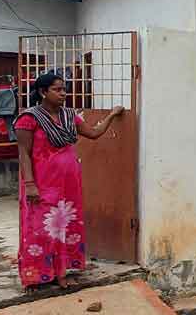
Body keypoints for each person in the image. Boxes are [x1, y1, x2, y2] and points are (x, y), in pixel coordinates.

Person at [14, 72, 124, 289]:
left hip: (68, 183)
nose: (63, 93)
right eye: (57, 89)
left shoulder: (69, 116)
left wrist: (111, 115)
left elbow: (93, 133)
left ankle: (62, 271)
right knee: (40, 227)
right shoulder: (29, 119)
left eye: (64, 89)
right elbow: (24, 154)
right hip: (41, 183)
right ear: (42, 92)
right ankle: (37, 274)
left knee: (64, 225)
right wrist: (30, 185)